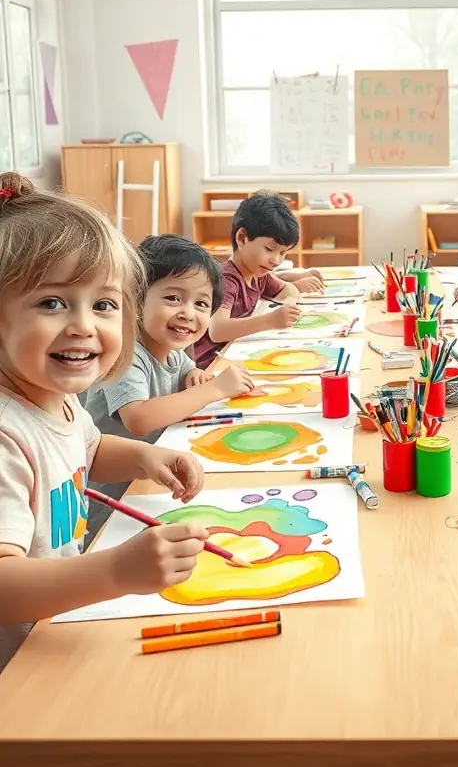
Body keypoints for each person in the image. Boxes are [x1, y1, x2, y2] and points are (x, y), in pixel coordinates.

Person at [0, 174, 207, 673]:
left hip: (54, 632)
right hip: (19, 672)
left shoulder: (56, 401)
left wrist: (144, 455)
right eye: (52, 302)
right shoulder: (7, 436)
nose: (85, 325)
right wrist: (116, 570)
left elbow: (86, 449)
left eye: (104, 304)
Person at [85, 234, 255, 444]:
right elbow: (138, 418)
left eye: (201, 304)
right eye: (173, 298)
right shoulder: (124, 354)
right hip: (121, 477)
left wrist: (195, 375)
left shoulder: (173, 352)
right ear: (137, 300)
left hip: (159, 460)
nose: (188, 314)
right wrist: (215, 389)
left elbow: (188, 373)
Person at [195, 190, 303, 369]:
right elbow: (217, 330)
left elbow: (288, 289)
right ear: (242, 238)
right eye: (269, 249)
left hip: (235, 352)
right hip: (211, 366)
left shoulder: (258, 274)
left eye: (283, 253)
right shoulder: (227, 279)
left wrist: (289, 304)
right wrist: (271, 320)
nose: (276, 261)